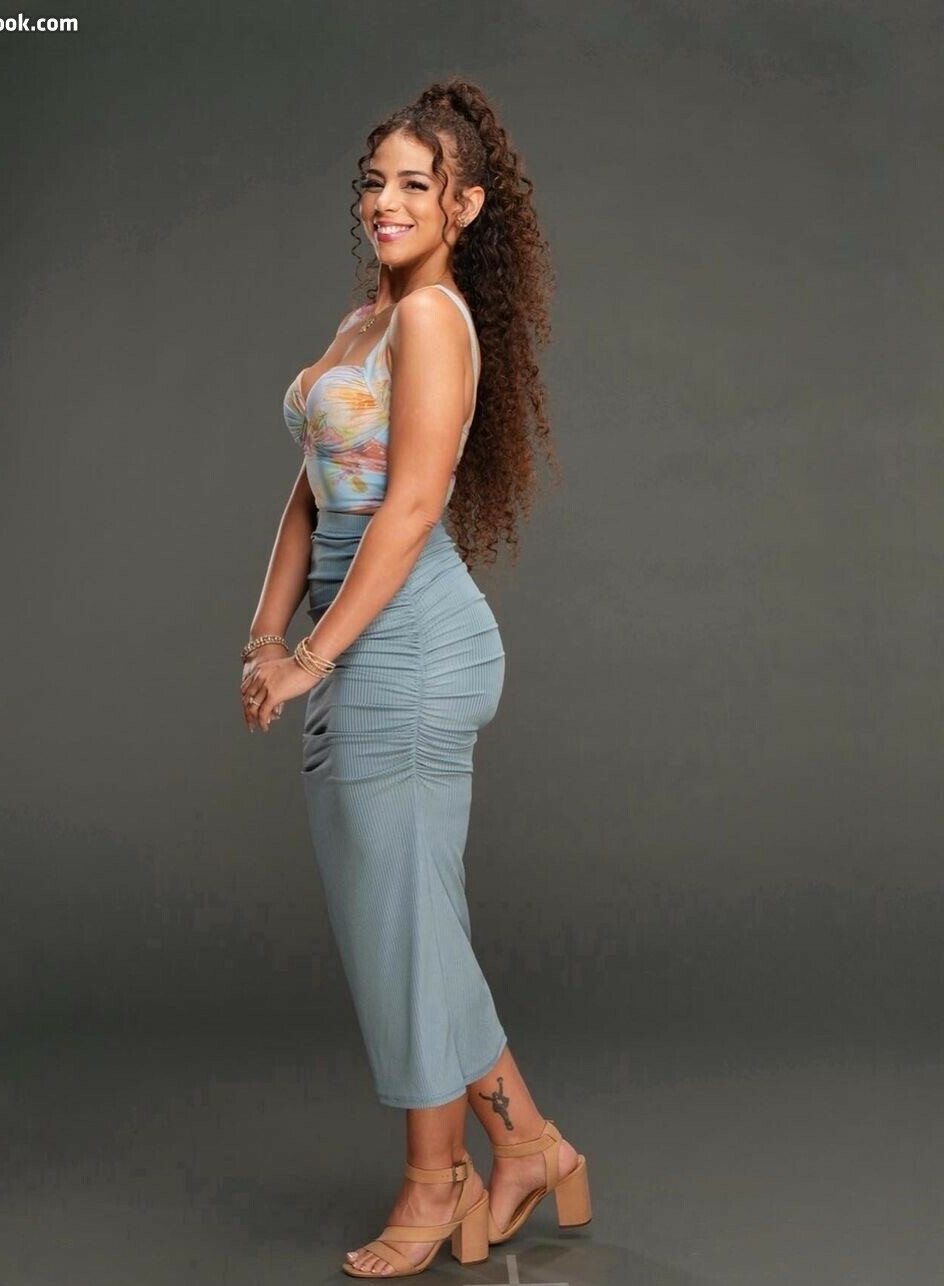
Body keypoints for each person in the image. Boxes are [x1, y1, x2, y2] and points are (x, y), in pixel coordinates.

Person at [240, 78, 592, 1278]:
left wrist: (310, 657)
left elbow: (411, 506)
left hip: (414, 642)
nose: (385, 202)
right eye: (374, 181)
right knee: (403, 926)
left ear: (466, 207)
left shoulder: (435, 318)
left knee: (404, 927)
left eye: (414, 184)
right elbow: (311, 493)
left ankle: (438, 1183)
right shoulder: (366, 320)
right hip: (359, 636)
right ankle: (530, 1144)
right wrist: (262, 634)